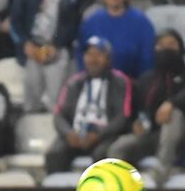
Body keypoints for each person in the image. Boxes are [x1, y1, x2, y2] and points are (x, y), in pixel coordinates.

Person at [107, 29, 185, 182]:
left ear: (181, 48)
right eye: (161, 45)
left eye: (171, 44)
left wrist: (171, 103)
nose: (166, 49)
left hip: (181, 138)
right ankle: (120, 186)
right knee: (119, 147)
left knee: (174, 114)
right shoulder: (146, 79)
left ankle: (161, 174)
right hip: (151, 136)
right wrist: (135, 124)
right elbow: (136, 109)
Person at [46, 36, 133, 174]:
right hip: (75, 134)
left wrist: (98, 135)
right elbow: (59, 115)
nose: (93, 59)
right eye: (89, 54)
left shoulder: (121, 81)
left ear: (109, 58)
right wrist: (68, 133)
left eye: (98, 54)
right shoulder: (73, 83)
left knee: (103, 156)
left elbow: (123, 116)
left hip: (104, 135)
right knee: (54, 154)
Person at [10, 0, 84, 113]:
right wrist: (25, 43)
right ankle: (30, 129)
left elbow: (76, 23)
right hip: (33, 50)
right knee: (31, 100)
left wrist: (58, 45)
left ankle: (58, 128)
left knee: (57, 101)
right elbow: (15, 21)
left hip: (58, 51)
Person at [76, 0, 156, 80]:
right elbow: (81, 52)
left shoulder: (142, 22)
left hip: (132, 84)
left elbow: (147, 58)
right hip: (96, 82)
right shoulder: (91, 22)